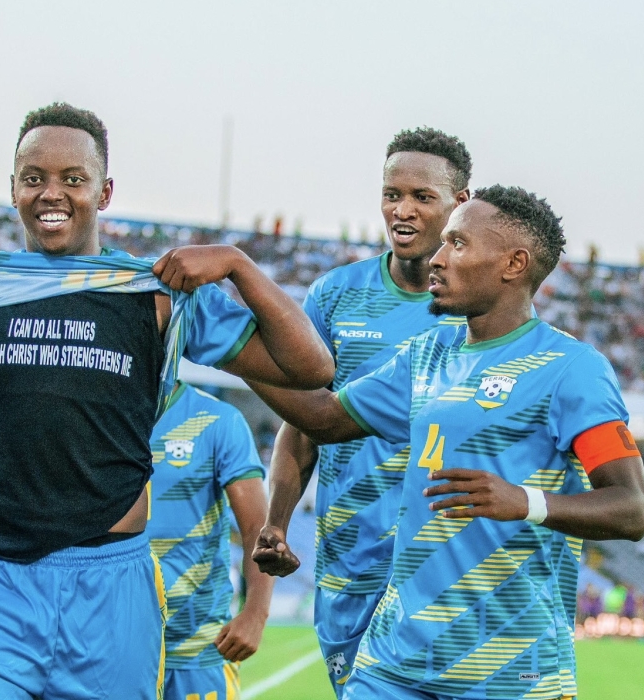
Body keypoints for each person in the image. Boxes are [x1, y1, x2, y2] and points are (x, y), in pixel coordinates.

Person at [0, 102, 332, 699]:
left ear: (105, 191)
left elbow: (310, 366)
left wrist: (239, 267)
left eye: (73, 180)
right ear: (12, 189)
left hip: (110, 588)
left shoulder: (157, 297)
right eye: (33, 178)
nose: (50, 194)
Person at [251, 187, 644, 699]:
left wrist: (525, 502)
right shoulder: (428, 353)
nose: (437, 260)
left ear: (514, 264)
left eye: (457, 244)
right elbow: (323, 418)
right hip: (391, 664)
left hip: (508, 673)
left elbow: (632, 508)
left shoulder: (572, 370)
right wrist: (226, 341)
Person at [255, 127, 471, 694]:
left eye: (423, 197)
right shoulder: (335, 296)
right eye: (391, 193)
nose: (402, 210)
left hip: (442, 566)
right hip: (349, 562)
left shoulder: (480, 311)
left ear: (460, 204)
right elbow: (303, 426)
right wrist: (276, 521)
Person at [147, 381, 274, 700]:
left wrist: (256, 612)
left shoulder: (218, 419)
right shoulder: (101, 413)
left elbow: (258, 526)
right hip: (120, 643)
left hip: (198, 646)